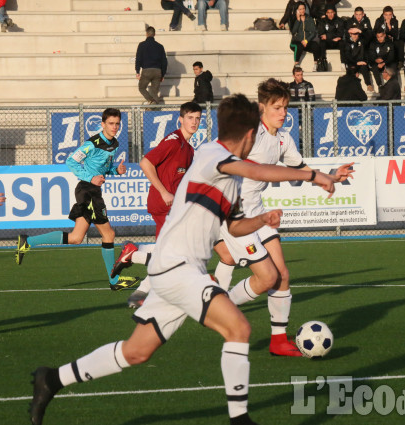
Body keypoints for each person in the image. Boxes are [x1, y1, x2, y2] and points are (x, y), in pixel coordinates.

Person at [28, 94, 342, 425]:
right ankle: (240, 419)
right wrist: (313, 175)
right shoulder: (212, 153)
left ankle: (51, 379)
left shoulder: (228, 174)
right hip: (178, 268)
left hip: (177, 271)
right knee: (238, 327)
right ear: (249, 133)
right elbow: (256, 168)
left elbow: (233, 224)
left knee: (136, 351)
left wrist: (261, 221)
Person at [212, 79, 354, 357]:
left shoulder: (283, 138)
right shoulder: (248, 133)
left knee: (283, 276)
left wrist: (332, 176)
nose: (283, 112)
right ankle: (217, 306)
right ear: (262, 107)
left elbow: (300, 168)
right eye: (277, 107)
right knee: (267, 278)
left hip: (259, 213)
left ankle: (278, 340)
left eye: (285, 107)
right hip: (235, 216)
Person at [15, 109, 140, 291]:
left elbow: (103, 168)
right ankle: (114, 281)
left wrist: (115, 171)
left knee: (76, 238)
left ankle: (27, 242)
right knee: (109, 234)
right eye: (111, 123)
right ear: (103, 124)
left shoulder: (114, 143)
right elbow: (71, 161)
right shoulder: (92, 143)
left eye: (117, 124)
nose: (114, 127)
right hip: (88, 191)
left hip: (90, 190)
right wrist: (91, 178)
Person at [112, 102, 202, 308]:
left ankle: (139, 284)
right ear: (180, 119)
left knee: (172, 253)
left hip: (174, 205)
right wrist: (164, 191)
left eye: (197, 118)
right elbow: (145, 162)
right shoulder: (173, 142)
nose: (194, 122)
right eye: (190, 118)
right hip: (164, 204)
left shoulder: (188, 148)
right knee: (174, 255)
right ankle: (134, 258)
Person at [135, 26, 167, 106]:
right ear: (154, 34)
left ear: (146, 34)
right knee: (154, 92)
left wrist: (137, 71)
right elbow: (164, 62)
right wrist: (163, 74)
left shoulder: (142, 45)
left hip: (147, 70)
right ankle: (154, 109)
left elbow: (138, 58)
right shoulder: (160, 46)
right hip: (157, 71)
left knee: (142, 88)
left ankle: (151, 101)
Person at [290, 2, 324, 72]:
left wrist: (306, 40)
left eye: (303, 9)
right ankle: (296, 65)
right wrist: (298, 20)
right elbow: (293, 32)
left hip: (307, 41)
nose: (302, 10)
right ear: (296, 10)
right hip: (296, 42)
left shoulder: (309, 18)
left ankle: (316, 64)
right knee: (298, 46)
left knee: (315, 46)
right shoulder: (293, 19)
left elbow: (313, 32)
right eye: (300, 9)